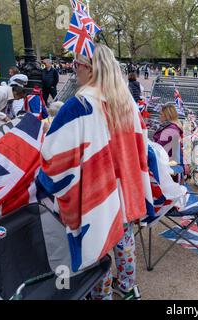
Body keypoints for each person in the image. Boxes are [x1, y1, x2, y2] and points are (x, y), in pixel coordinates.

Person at [38, 45, 149, 300]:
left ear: (90, 68)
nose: (74, 70)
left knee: (98, 246)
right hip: (126, 186)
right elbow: (142, 144)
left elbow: (54, 158)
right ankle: (129, 287)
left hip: (96, 191)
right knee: (124, 239)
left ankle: (103, 294)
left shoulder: (78, 105)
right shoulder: (127, 102)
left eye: (77, 65)